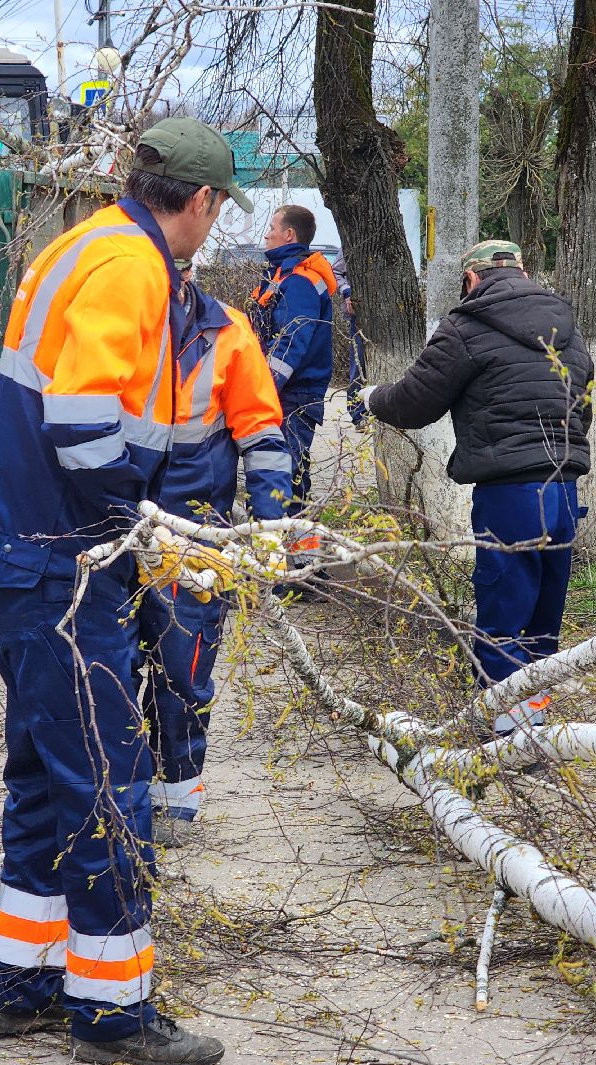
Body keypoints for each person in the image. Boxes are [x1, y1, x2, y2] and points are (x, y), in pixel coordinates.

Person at [0, 117, 253, 1065]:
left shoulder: (82, 245)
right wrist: (146, 523)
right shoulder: (133, 267)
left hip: (25, 560)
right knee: (111, 788)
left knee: (47, 778)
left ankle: (23, 984)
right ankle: (114, 1014)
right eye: (215, 212)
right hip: (62, 568)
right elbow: (83, 426)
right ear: (200, 203)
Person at [358, 241, 593, 731]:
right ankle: (535, 714)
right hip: (565, 490)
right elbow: (583, 407)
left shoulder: (466, 327)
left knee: (503, 607)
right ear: (523, 271)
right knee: (544, 613)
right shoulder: (568, 330)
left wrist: (371, 398)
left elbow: (416, 402)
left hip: (509, 492)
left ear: (471, 279)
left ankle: (506, 727)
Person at [139, 259, 292, 845]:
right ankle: (118, 794)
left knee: (184, 666)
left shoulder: (229, 333)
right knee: (109, 664)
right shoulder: (117, 325)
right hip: (116, 525)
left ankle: (176, 799)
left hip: (194, 533)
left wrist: (271, 526)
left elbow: (262, 432)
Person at [250, 205, 338, 509]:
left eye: (272, 228)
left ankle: (296, 551)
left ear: (288, 234)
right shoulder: (283, 274)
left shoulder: (299, 281)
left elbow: (290, 342)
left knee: (286, 474)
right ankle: (299, 550)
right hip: (289, 394)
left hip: (294, 396)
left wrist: (264, 387)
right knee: (289, 472)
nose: (266, 234)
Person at [331, 252, 369, 430]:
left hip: (387, 316)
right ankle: (358, 415)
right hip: (359, 315)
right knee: (359, 365)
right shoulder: (352, 243)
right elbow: (336, 272)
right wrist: (347, 292)